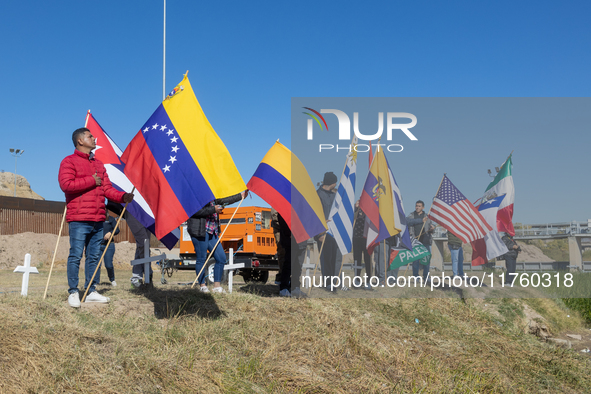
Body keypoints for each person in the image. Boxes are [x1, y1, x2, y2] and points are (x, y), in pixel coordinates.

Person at [58, 127, 133, 308]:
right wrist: (92, 180)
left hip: (98, 218)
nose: (94, 138)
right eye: (90, 136)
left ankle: (91, 291)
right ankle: (74, 292)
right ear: (80, 141)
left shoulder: (99, 165)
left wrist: (122, 197)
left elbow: (107, 189)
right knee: (75, 255)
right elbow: (66, 185)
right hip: (78, 218)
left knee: (93, 257)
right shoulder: (69, 161)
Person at [187, 190, 248, 293]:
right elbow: (194, 211)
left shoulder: (212, 194)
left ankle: (216, 287)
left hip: (212, 231)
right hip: (200, 231)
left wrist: (240, 196)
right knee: (201, 259)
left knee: (221, 258)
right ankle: (202, 286)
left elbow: (224, 200)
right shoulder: (194, 192)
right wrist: (213, 210)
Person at [315, 172, 339, 290]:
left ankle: (333, 283)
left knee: (333, 258)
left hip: (334, 233)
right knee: (325, 259)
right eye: (335, 182)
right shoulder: (317, 195)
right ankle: (327, 283)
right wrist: (318, 234)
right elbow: (314, 215)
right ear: (332, 182)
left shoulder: (334, 196)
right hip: (323, 233)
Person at [406, 200, 435, 282]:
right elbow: (407, 223)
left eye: (419, 206)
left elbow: (431, 228)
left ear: (423, 207)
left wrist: (432, 229)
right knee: (415, 260)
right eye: (416, 206)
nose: (417, 207)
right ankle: (416, 277)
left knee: (426, 259)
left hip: (425, 240)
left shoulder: (427, 217)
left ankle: (426, 276)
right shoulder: (411, 216)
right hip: (415, 240)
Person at [352, 200, 372, 281]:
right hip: (356, 238)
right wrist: (355, 208)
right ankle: (357, 279)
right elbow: (350, 218)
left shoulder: (369, 210)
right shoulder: (356, 211)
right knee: (357, 260)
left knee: (368, 260)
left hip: (367, 238)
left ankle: (368, 279)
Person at [100, 210, 120, 287]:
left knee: (108, 265)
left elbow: (117, 230)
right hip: (97, 245)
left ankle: (112, 279)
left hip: (109, 245)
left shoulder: (110, 219)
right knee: (96, 265)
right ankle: (95, 282)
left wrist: (111, 233)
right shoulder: (96, 220)